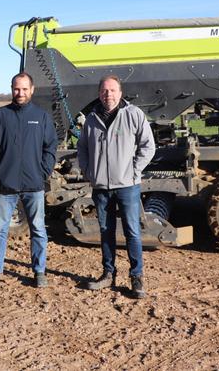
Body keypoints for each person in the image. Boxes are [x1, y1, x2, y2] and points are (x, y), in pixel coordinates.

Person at [77, 75, 155, 299]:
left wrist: (133, 170)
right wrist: (87, 170)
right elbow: (82, 147)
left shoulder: (133, 115)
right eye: (104, 91)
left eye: (112, 90)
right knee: (105, 231)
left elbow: (148, 146)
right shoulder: (91, 119)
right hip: (101, 186)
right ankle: (108, 273)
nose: (108, 94)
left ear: (120, 93)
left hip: (127, 185)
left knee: (132, 231)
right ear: (99, 93)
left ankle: (136, 276)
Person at [0, 72, 58, 288]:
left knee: (38, 229)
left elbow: (50, 147)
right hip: (6, 185)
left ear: (32, 90)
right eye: (16, 89)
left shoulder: (41, 117)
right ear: (11, 89)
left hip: (34, 184)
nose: (20, 93)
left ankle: (39, 271)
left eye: (24, 89)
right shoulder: (0, 116)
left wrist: (43, 171)